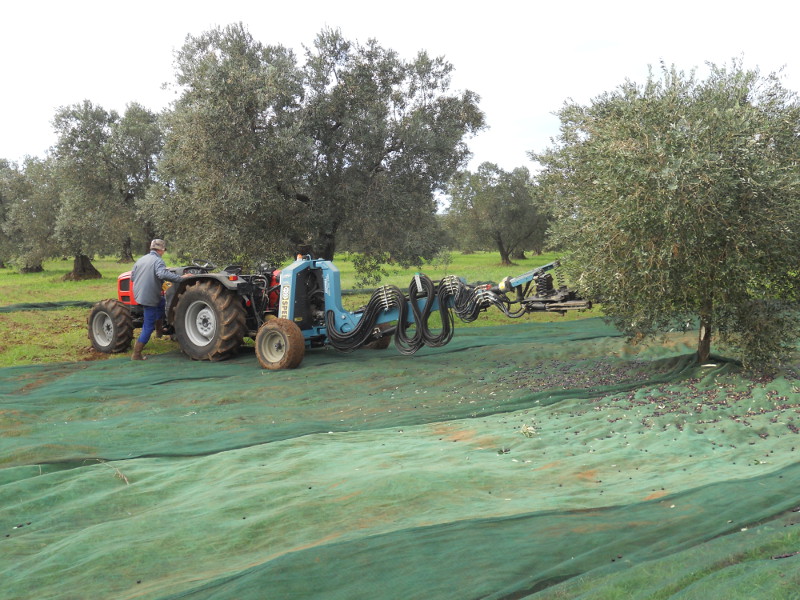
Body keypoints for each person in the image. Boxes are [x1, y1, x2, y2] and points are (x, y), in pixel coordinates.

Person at [130, 239, 191, 360]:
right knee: (148, 326)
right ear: (161, 250)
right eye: (163, 250)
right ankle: (136, 354)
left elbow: (132, 278)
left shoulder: (141, 260)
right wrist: (180, 278)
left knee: (162, 302)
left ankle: (159, 331)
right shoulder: (158, 261)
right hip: (149, 297)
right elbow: (162, 275)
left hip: (140, 294)